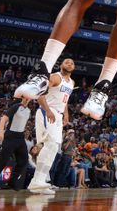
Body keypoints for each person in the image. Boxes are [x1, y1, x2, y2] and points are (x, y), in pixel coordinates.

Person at [28, 58, 75, 194]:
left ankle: (38, 181)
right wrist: (48, 110)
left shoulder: (72, 82)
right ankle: (38, 180)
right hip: (48, 110)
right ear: (61, 65)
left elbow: (65, 99)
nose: (69, 64)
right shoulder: (55, 77)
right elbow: (40, 92)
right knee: (52, 145)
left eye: (72, 63)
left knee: (53, 147)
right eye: (67, 62)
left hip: (58, 114)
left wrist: (65, 114)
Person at [0, 97, 50, 192]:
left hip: (20, 137)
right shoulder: (16, 107)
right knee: (3, 160)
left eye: (29, 98)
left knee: (23, 160)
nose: (28, 99)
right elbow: (4, 119)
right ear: (22, 97)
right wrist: (1, 132)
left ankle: (12, 182)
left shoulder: (28, 110)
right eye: (26, 97)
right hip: (10, 136)